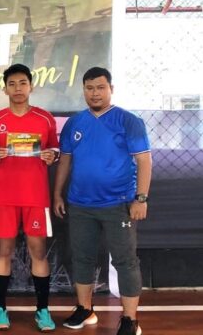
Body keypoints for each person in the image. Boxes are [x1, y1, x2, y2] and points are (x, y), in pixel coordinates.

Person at [54, 67, 152, 335]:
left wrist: (141, 199)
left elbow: (144, 161)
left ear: (111, 89)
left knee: (125, 261)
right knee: (82, 258)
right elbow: (65, 161)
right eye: (89, 88)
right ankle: (85, 309)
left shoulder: (128, 121)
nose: (95, 93)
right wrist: (57, 194)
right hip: (80, 205)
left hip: (118, 204)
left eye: (100, 87)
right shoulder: (75, 123)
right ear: (83, 90)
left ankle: (130, 320)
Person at [0, 64, 59, 331]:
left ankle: (43, 311)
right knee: (4, 251)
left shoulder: (45, 119)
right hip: (5, 196)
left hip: (35, 196)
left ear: (31, 86)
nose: (18, 88)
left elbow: (55, 151)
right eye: (12, 84)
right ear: (5, 88)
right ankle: (0, 309)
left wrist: (51, 156)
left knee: (37, 251)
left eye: (23, 83)